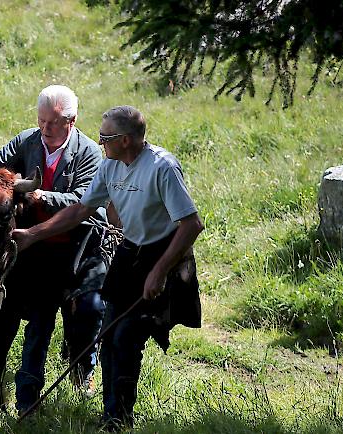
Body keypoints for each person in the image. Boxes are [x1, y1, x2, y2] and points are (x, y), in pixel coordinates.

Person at [13, 105, 204, 429]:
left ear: (126, 140)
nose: (99, 142)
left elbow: (191, 225)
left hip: (164, 255)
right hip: (129, 253)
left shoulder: (163, 167)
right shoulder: (110, 166)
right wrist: (32, 235)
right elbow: (80, 210)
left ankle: (120, 418)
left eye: (105, 137)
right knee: (108, 335)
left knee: (126, 337)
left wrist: (158, 271)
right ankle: (110, 413)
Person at [0, 85, 108, 414]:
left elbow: (85, 201)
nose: (45, 129)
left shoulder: (89, 153)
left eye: (53, 122)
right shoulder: (28, 140)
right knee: (36, 321)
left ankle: (84, 366)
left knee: (89, 313)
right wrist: (4, 181)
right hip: (33, 250)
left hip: (77, 250)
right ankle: (25, 399)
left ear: (72, 120)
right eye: (41, 121)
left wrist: (43, 197)